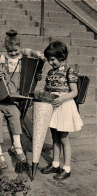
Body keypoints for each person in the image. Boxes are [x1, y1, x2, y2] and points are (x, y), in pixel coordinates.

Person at [40, 41, 83, 181]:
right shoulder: (50, 72)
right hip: (53, 106)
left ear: (62, 56)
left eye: (52, 59)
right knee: (54, 137)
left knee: (64, 138)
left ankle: (67, 168)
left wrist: (62, 99)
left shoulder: (69, 71)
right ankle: (55, 164)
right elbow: (46, 88)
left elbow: (74, 92)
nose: (50, 62)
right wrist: (43, 92)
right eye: (48, 60)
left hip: (64, 106)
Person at [0, 29, 45, 95]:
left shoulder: (22, 54)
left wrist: (39, 55)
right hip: (9, 86)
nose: (13, 53)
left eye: (15, 50)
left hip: (22, 85)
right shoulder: (3, 58)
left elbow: (29, 51)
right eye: (10, 51)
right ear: (6, 49)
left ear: (20, 47)